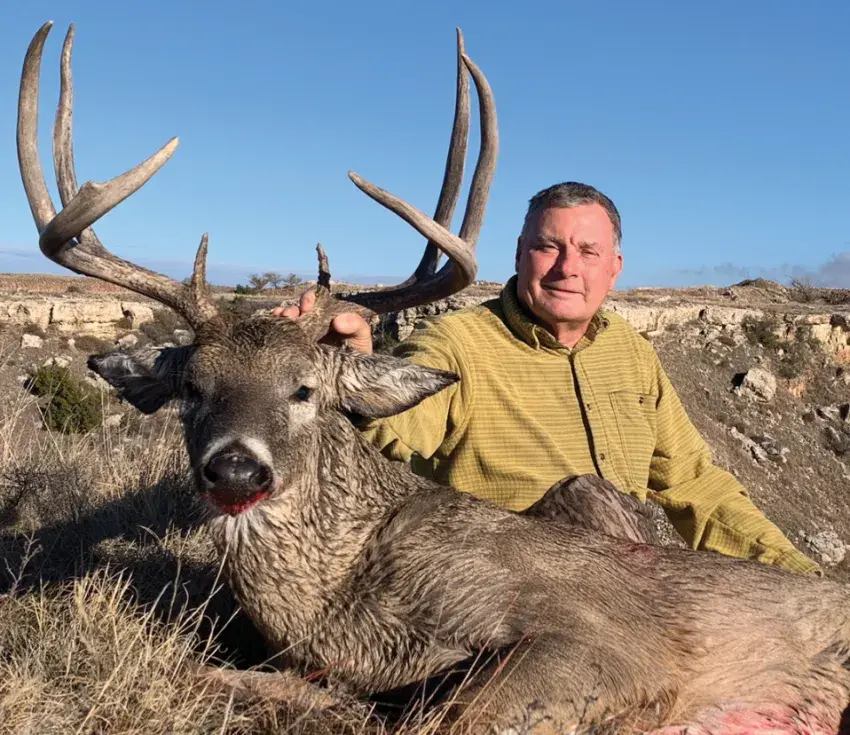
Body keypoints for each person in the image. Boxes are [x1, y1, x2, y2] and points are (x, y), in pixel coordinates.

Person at [274, 181, 820, 576]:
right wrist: (349, 375)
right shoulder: (455, 344)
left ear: (615, 268)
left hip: (630, 590)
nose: (567, 268)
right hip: (508, 595)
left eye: (588, 251)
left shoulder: (632, 354)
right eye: (548, 247)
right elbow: (389, 435)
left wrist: (802, 578)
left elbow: (694, 485)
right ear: (519, 254)